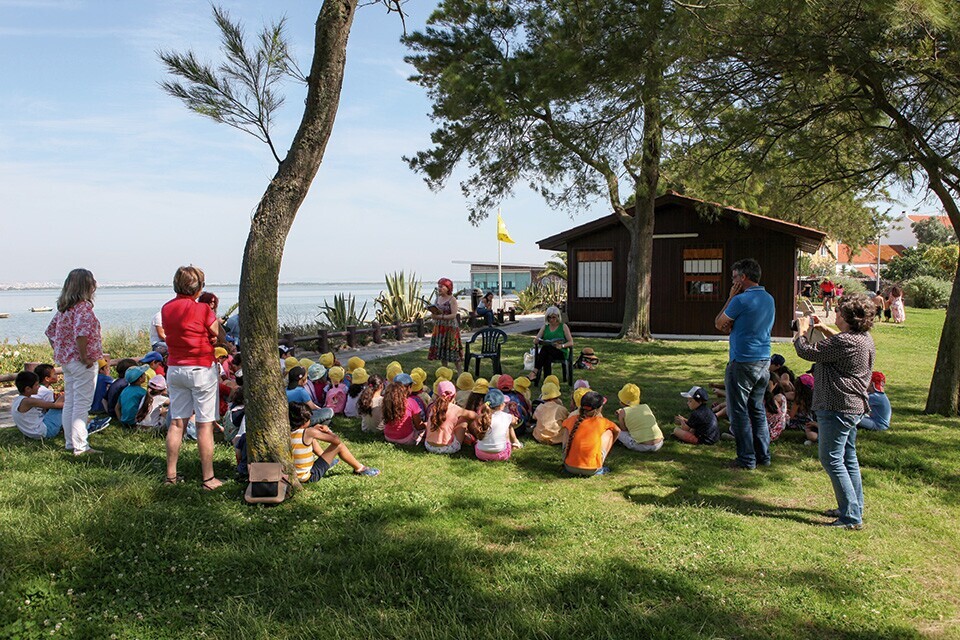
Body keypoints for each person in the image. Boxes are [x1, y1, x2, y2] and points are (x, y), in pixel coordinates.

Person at [794, 294, 876, 530]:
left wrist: (802, 330)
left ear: (849, 317)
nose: (836, 314)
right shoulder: (862, 338)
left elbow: (807, 352)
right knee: (848, 458)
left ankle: (850, 517)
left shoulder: (845, 343)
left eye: (839, 312)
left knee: (831, 458)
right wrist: (824, 328)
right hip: (852, 407)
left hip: (837, 406)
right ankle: (852, 507)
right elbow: (840, 342)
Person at [161, 265, 225, 489]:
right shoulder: (203, 310)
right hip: (200, 368)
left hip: (175, 368)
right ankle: (208, 478)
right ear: (198, 288)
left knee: (177, 423)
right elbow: (219, 333)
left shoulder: (167, 308)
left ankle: (171, 475)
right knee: (204, 425)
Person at [714, 258, 775, 470]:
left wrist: (731, 297)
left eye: (734, 278)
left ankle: (746, 459)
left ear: (743, 278)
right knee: (757, 410)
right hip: (763, 361)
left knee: (738, 412)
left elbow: (719, 322)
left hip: (742, 361)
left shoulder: (740, 300)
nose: (732, 282)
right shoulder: (768, 299)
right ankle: (763, 456)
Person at [44, 268, 104, 456]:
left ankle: (71, 442)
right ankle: (81, 446)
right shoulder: (83, 308)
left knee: (70, 401)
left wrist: (60, 351)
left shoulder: (64, 309)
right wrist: (85, 355)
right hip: (81, 362)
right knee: (81, 404)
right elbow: (81, 333)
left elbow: (50, 332)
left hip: (67, 362)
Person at [288, 402, 380, 482]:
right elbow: (337, 441)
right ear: (305, 420)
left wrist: (313, 430)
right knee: (339, 446)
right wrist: (327, 430)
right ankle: (359, 468)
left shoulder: (289, 433)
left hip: (295, 476)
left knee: (313, 440)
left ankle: (327, 460)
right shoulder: (309, 432)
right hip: (310, 476)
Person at [561, 391, 619, 475]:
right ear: (599, 408)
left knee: (567, 429)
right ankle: (599, 465)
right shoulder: (603, 422)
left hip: (569, 467)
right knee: (609, 432)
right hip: (592, 469)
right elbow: (617, 431)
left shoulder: (571, 419)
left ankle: (566, 457)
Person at [425, 380, 477, 454]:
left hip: (428, 446)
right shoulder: (456, 409)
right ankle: (473, 438)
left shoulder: (433, 407)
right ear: (454, 395)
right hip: (447, 448)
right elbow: (473, 415)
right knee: (464, 419)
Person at [11, 370, 64, 440]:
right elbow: (56, 406)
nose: (39, 387)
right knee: (64, 399)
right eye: (36, 385)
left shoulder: (17, 400)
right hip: (46, 431)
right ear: (28, 389)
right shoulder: (29, 401)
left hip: (33, 432)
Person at [473, 389, 523, 462]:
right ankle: (515, 443)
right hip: (501, 455)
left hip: (480, 454)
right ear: (502, 405)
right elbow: (515, 421)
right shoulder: (506, 416)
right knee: (508, 426)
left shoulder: (481, 417)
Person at [427, 277, 464, 373]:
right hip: (440, 327)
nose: (439, 289)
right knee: (442, 351)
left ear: (448, 288)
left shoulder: (452, 299)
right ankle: (445, 372)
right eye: (438, 287)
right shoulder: (437, 299)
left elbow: (453, 315)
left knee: (453, 349)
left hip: (450, 328)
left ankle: (460, 372)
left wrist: (441, 317)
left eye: (441, 287)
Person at [530, 306, 574, 383]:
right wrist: (537, 341)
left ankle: (534, 372)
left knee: (545, 350)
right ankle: (548, 380)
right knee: (547, 355)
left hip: (560, 351)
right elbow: (536, 339)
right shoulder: (545, 327)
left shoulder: (563, 326)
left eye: (553, 317)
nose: (551, 319)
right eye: (549, 317)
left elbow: (571, 342)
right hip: (548, 352)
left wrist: (562, 346)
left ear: (558, 317)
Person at [616, 383, 663, 452]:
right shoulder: (645, 407)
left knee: (618, 431)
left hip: (641, 446)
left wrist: (620, 417)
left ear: (621, 401)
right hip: (659, 443)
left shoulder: (623, 412)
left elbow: (624, 429)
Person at [382, 373, 425, 446]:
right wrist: (427, 425)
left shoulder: (387, 399)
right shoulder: (411, 402)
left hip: (388, 436)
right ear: (408, 387)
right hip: (405, 438)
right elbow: (418, 426)